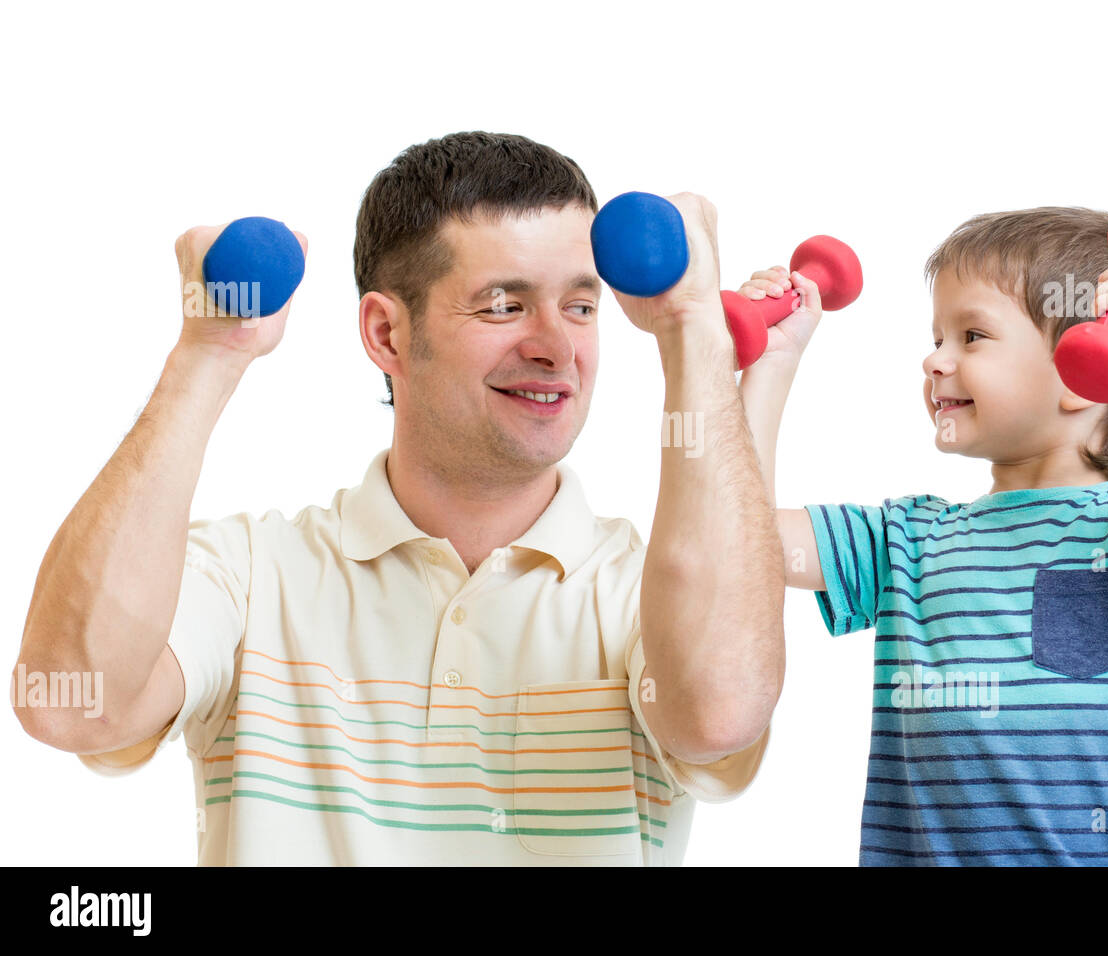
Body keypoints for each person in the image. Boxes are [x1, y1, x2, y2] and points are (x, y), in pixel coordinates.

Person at [13, 131, 785, 866]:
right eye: (503, 305)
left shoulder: (645, 600)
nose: (557, 346)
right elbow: (73, 701)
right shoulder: (251, 578)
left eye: (581, 306)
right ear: (386, 335)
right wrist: (208, 354)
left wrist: (694, 334)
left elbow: (716, 711)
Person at [737, 206, 1108, 865]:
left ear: (1082, 371)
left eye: (972, 335)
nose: (934, 360)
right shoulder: (905, 539)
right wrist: (770, 369)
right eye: (937, 336)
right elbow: (736, 541)